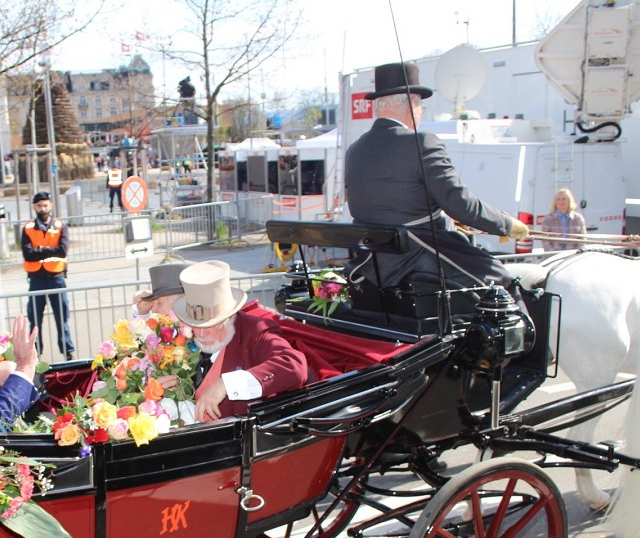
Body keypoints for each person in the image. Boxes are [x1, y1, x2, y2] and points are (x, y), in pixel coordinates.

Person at [344, 61, 530, 295]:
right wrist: (507, 224)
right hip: (418, 256)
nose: (421, 113)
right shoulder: (422, 142)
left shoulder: (354, 150)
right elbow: (460, 204)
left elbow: (391, 205)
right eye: (421, 106)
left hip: (371, 262)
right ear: (413, 103)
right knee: (504, 282)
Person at [163, 260, 308, 423]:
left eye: (212, 324)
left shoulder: (256, 331)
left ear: (230, 315)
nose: (202, 334)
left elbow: (294, 366)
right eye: (196, 324)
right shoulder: (185, 337)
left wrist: (227, 384)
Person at [21, 191, 75, 361]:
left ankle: (68, 353)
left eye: (45, 205)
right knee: (35, 320)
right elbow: (28, 254)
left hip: (56, 278)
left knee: (62, 318)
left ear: (50, 206)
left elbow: (62, 250)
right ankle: (34, 355)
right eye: (39, 206)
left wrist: (40, 250)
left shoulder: (60, 226)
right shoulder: (28, 228)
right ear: (34, 207)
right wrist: (49, 251)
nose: (42, 209)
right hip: (36, 279)